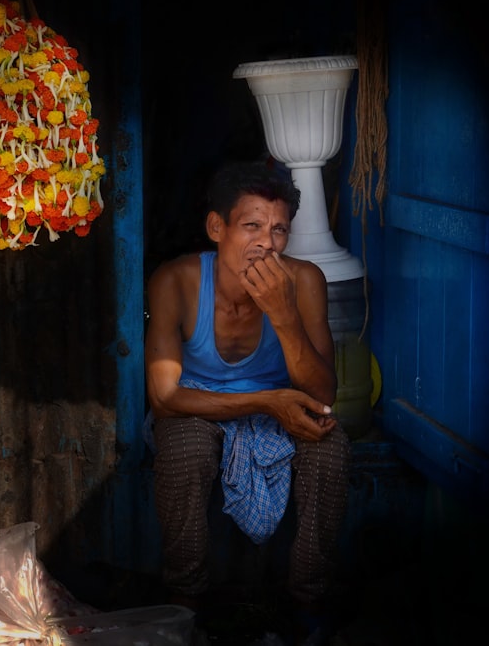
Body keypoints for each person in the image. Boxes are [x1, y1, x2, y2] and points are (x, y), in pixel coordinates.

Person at [144, 160, 351, 643]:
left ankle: (308, 600)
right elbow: (165, 397)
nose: (266, 242)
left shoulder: (304, 281)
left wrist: (283, 315)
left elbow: (322, 395)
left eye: (279, 230)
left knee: (330, 446)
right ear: (217, 227)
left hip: (280, 405)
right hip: (200, 406)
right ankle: (186, 601)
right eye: (252, 226)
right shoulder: (177, 280)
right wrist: (267, 402)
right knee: (184, 448)